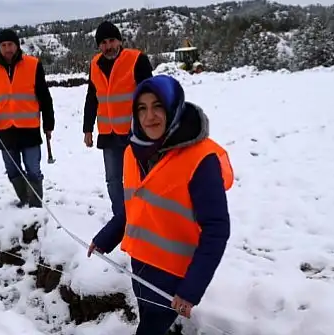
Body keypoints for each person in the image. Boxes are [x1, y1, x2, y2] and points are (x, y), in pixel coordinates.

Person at [87, 74, 233, 335]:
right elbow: (136, 204)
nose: (149, 116)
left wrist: (191, 290)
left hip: (174, 274)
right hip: (140, 264)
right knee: (148, 315)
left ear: (173, 107)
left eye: (158, 106)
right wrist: (106, 238)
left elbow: (216, 229)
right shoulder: (134, 150)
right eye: (141, 108)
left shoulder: (201, 159)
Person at [83, 20, 153, 218]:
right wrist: (87, 129)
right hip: (108, 134)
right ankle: (121, 220)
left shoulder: (137, 59)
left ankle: (144, 217)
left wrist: (148, 127)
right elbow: (91, 97)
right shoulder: (95, 64)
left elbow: (150, 96)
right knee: (113, 181)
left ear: (120, 41)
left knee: (140, 178)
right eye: (103, 43)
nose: (108, 46)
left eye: (112, 40)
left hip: (135, 133)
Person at [0, 28, 55, 208]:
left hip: (29, 128)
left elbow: (44, 96)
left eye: (10, 44)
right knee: (12, 170)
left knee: (33, 170)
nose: (7, 49)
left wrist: (49, 123)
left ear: (17, 45)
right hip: (4, 129)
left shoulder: (33, 64)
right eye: (3, 45)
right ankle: (24, 198)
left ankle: (36, 206)